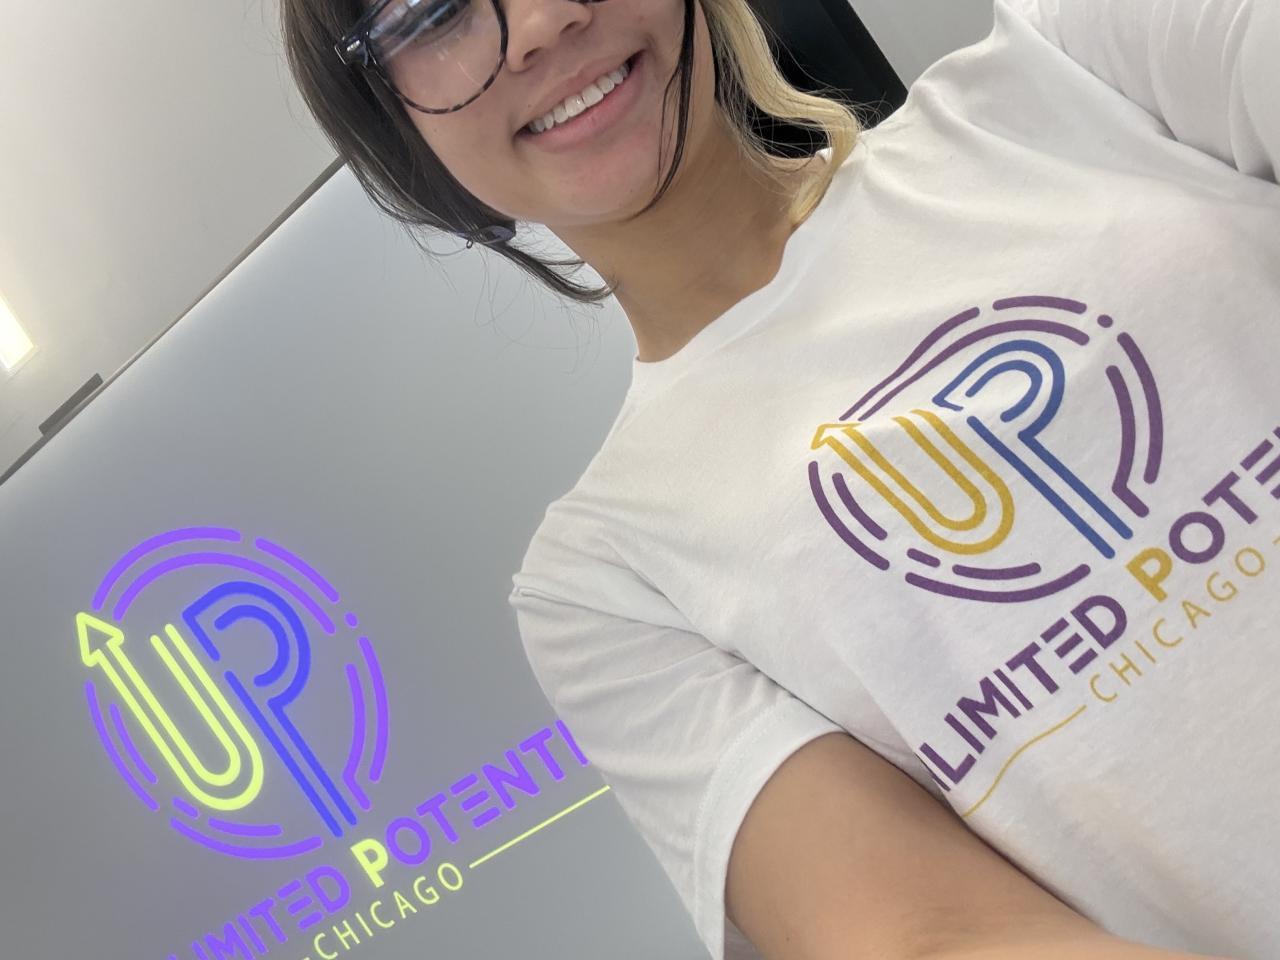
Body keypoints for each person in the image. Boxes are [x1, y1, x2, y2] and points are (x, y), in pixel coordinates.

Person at [281, 0, 1280, 957]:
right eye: (435, 12)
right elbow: (934, 936)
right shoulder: (603, 586)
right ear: (398, 133)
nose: (543, 21)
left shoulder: (1073, 63)